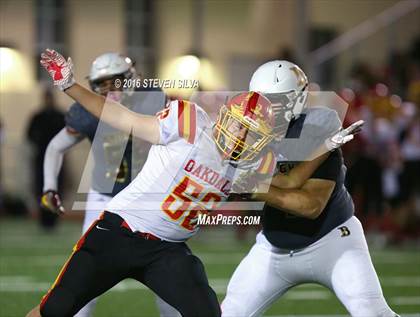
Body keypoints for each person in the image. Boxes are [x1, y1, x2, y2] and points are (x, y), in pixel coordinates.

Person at [27, 49, 281, 317]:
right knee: (55, 310)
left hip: (167, 250)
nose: (243, 137)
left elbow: (284, 192)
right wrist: (70, 86)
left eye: (253, 133)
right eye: (239, 125)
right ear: (226, 117)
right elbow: (122, 117)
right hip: (120, 232)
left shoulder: (257, 164)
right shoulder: (190, 123)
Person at [221, 60, 399, 317]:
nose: (264, 108)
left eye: (274, 100)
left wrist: (252, 187)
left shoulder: (316, 131)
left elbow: (310, 206)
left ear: (297, 100)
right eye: (259, 99)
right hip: (274, 247)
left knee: (372, 313)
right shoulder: (248, 136)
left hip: (333, 241)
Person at [39, 52, 179, 317]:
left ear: (130, 78)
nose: (109, 90)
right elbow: (56, 147)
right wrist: (49, 186)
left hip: (149, 201)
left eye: (114, 81)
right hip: (104, 200)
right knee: (83, 278)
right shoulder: (88, 110)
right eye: (102, 84)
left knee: (170, 282)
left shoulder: (152, 100)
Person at [26, 89, 66, 229]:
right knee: (42, 188)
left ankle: (53, 219)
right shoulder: (38, 117)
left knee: (56, 189)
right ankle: (44, 219)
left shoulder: (60, 116)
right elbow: (29, 135)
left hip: (58, 160)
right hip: (41, 159)